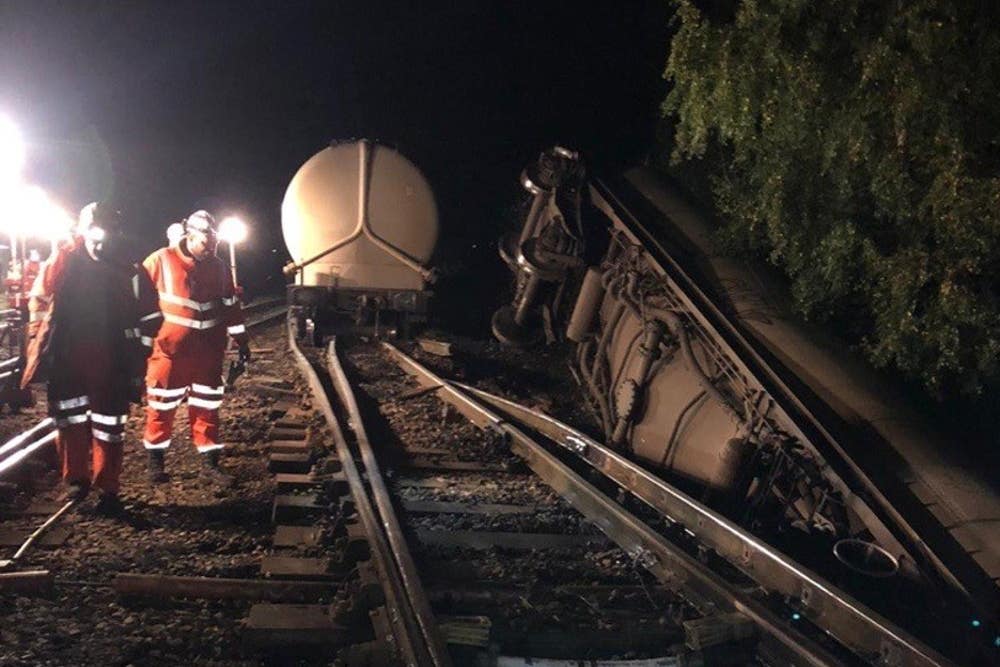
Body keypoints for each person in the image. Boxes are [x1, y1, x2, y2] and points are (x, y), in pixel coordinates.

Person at [22, 202, 161, 514]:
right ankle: (76, 481)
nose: (101, 240)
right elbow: (40, 300)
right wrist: (38, 341)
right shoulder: (63, 260)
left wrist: (141, 352)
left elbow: (152, 315)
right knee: (69, 420)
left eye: (109, 231)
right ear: (82, 231)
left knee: (110, 426)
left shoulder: (131, 269)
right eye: (96, 231)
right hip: (68, 356)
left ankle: (108, 488)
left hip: (113, 359)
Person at [141, 210, 249, 484]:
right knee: (161, 405)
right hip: (170, 353)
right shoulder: (160, 261)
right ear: (190, 236)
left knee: (207, 406)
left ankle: (210, 465)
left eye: (214, 245)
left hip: (208, 352)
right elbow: (138, 303)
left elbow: (230, 306)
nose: (210, 250)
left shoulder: (220, 267)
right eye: (205, 244)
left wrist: (241, 340)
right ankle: (155, 465)